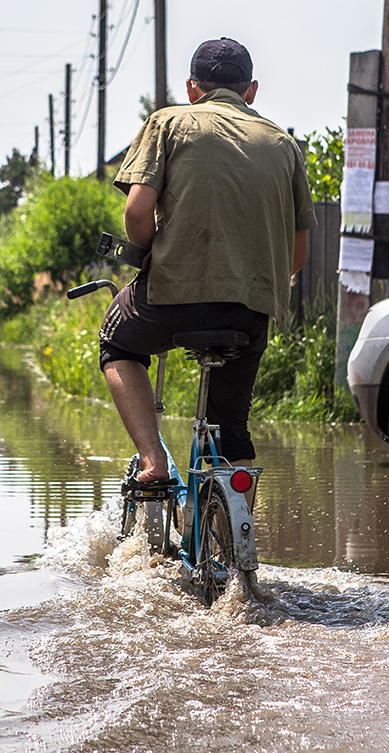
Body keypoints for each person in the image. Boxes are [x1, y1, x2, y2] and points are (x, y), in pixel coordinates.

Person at [99, 37, 315, 486]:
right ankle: (235, 527)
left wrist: (153, 256)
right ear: (250, 90)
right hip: (250, 311)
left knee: (116, 344)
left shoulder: (169, 122)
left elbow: (137, 214)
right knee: (231, 427)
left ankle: (153, 460)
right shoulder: (283, 144)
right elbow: (298, 256)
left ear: (192, 88)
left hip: (171, 297)